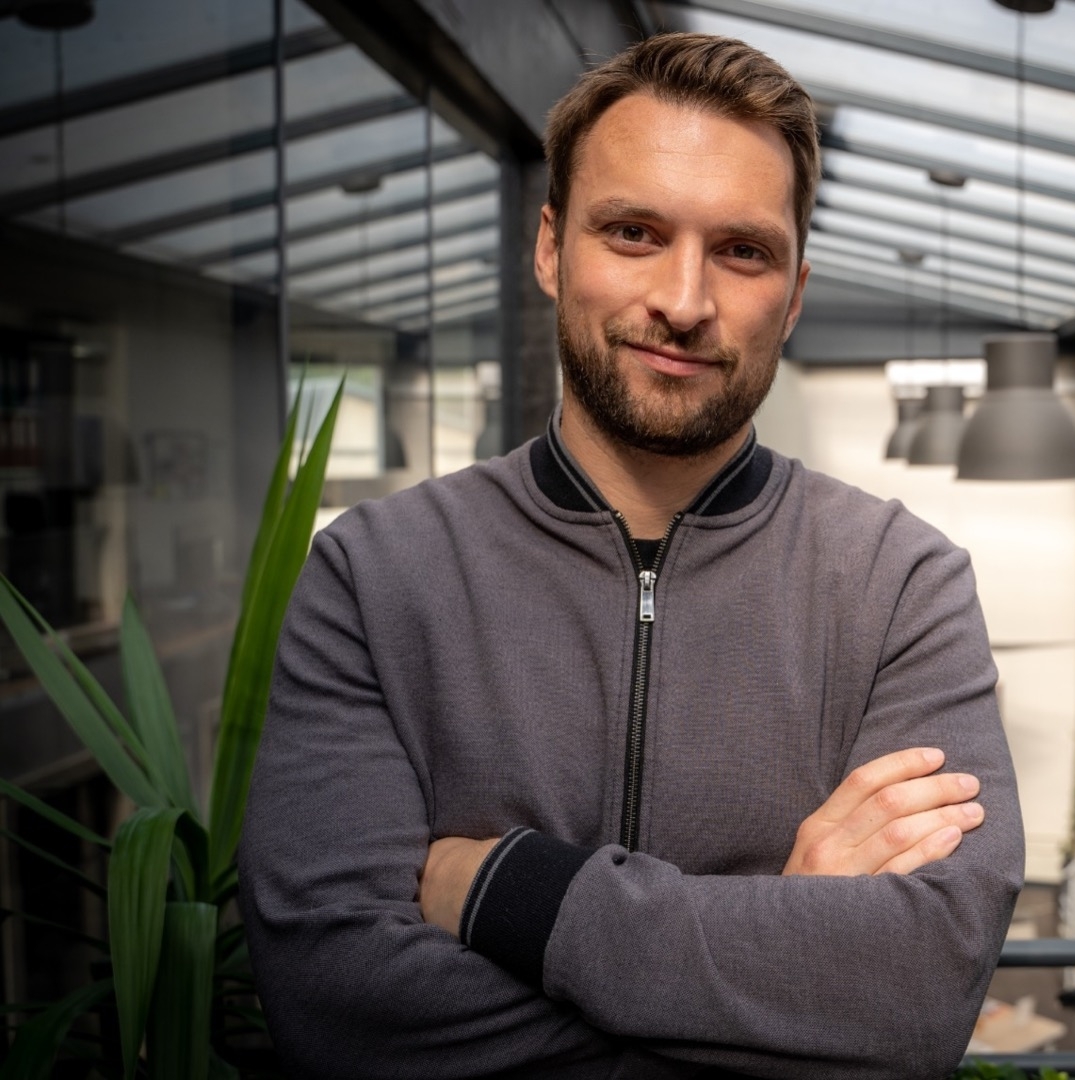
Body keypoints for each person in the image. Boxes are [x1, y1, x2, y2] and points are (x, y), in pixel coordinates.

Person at [241, 31, 1024, 1080]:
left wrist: (513, 891)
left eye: (742, 252)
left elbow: (916, 995)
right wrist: (779, 967)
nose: (684, 301)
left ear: (794, 294)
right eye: (634, 233)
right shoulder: (376, 578)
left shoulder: (900, 585)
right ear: (550, 248)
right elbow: (336, 1008)